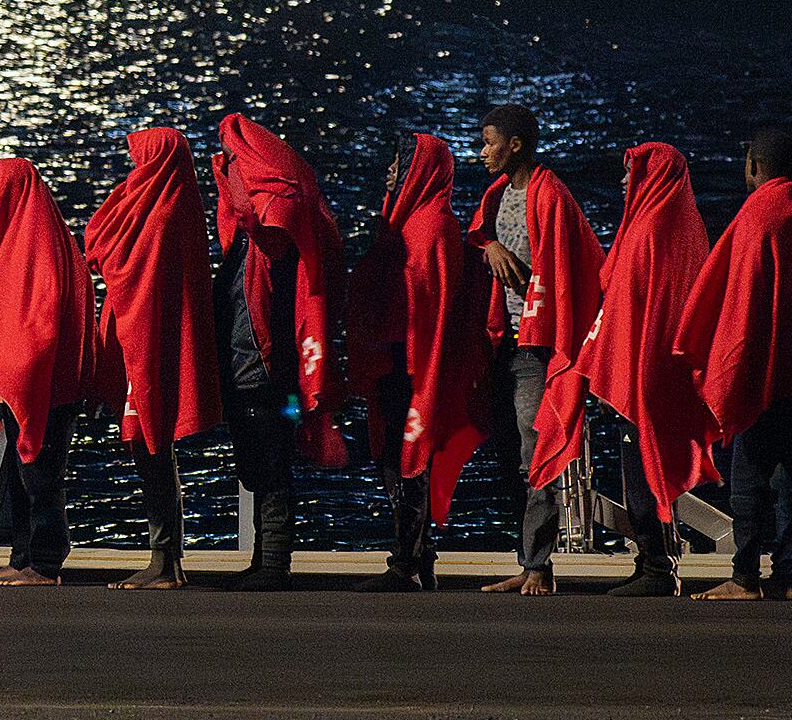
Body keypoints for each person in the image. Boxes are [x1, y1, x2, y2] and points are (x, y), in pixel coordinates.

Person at [672, 133, 792, 600]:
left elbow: (741, 301)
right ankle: (787, 577)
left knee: (748, 479)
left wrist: (731, 368)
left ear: (754, 165)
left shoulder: (758, 214)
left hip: (762, 373)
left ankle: (744, 576)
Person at [532, 140, 713, 598]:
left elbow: (625, 303)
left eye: (630, 171)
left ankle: (657, 567)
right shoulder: (687, 227)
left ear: (650, 176)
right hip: (666, 370)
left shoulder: (648, 230)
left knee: (642, 470)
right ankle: (656, 561)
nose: (623, 181)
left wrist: (607, 364)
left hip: (642, 372)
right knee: (652, 466)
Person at [468, 105, 602, 597]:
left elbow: (574, 264)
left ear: (516, 145)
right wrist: (490, 248)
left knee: (535, 454)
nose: (483, 152)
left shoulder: (550, 195)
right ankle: (526, 563)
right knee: (509, 454)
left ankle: (540, 566)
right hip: (502, 341)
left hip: (535, 344)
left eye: (489, 142)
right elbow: (480, 236)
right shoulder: (497, 195)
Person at [80, 126, 222, 590]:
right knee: (151, 448)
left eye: (140, 158)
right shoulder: (170, 200)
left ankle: (165, 561)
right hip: (152, 334)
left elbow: (114, 256)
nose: (135, 167)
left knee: (154, 446)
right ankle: (165, 559)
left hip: (151, 338)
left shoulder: (161, 208)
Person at [0, 157, 91, 585]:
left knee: (42, 475)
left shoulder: (36, 244)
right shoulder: (26, 239)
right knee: (20, 473)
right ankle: (22, 556)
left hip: (47, 387)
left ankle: (44, 562)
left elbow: (40, 317)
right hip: (22, 385)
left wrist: (21, 371)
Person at [213, 116, 349, 591]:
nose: (225, 166)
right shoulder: (247, 235)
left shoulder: (275, 223)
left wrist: (235, 181)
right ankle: (264, 559)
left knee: (271, 462)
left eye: (233, 158)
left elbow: (267, 235)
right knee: (258, 462)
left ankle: (274, 562)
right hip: (248, 367)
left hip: (268, 371)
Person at [365, 132, 489, 589]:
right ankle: (418, 559)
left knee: (406, 460)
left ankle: (407, 564)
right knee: (397, 457)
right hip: (402, 359)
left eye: (399, 165)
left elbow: (430, 308)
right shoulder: (413, 223)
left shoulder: (429, 228)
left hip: (414, 364)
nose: (391, 174)